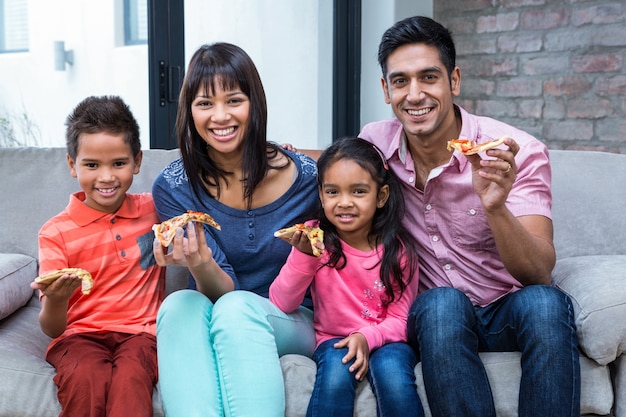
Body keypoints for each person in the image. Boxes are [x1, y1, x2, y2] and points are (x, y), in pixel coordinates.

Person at [358, 16, 581, 417]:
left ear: (454, 81)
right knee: (443, 303)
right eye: (400, 81)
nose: (415, 95)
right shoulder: (374, 145)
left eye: (429, 77)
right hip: (437, 318)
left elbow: (538, 273)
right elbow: (326, 171)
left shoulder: (516, 152)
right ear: (386, 91)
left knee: (546, 303)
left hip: (507, 308)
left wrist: (495, 206)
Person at [152, 42, 320, 417]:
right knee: (180, 303)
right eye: (205, 103)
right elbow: (220, 290)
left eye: (234, 100)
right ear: (190, 111)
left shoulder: (307, 178)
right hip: (226, 308)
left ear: (254, 103)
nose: (220, 116)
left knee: (238, 309)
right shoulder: (175, 187)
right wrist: (199, 262)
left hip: (294, 318)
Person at [270, 137, 424, 417]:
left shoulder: (399, 251)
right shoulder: (315, 239)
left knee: (393, 376)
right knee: (333, 377)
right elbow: (282, 302)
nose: (344, 203)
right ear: (320, 195)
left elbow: (402, 320)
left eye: (358, 192)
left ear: (381, 196)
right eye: (332, 192)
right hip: (333, 339)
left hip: (388, 342)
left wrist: (367, 337)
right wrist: (305, 256)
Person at [31, 95, 165, 417]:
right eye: (92, 165)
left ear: (137, 161)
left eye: (118, 163)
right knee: (86, 377)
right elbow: (52, 328)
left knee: (131, 380)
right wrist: (58, 299)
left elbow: (202, 184)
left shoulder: (155, 208)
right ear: (72, 165)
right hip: (78, 337)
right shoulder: (55, 233)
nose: (106, 177)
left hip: (142, 335)